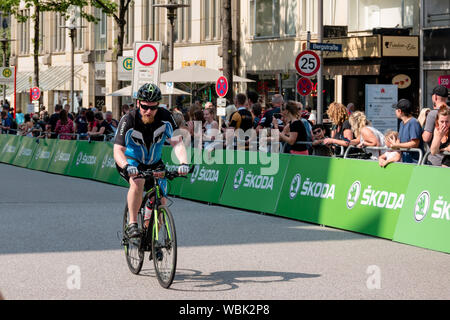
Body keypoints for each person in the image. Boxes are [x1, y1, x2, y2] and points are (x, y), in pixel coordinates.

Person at [114, 83, 189, 238]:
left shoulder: (165, 117)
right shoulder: (129, 119)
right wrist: (127, 166)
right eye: (145, 107)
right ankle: (133, 223)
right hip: (131, 161)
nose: (149, 111)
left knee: (160, 201)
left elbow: (177, 142)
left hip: (155, 162)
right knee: (138, 181)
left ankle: (150, 238)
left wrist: (183, 163)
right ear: (137, 103)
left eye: (153, 107)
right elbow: (117, 150)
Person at [389, 99, 423, 164]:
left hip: (415, 162)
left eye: (396, 109)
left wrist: (397, 145)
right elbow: (399, 140)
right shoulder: (402, 123)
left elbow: (414, 144)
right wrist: (394, 144)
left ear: (399, 111)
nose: (395, 111)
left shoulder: (413, 122)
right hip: (405, 161)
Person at [422, 85, 449, 166]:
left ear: (435, 97)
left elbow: (426, 138)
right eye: (442, 122)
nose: (444, 124)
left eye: (447, 121)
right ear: (446, 98)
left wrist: (421, 125)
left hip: (435, 161)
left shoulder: (432, 113)